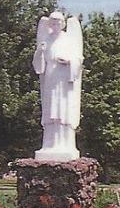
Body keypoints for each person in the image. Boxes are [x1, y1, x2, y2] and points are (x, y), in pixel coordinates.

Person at [32, 12, 83, 161]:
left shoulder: (68, 40)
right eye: (53, 23)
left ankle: (66, 144)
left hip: (64, 79)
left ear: (63, 24)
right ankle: (49, 144)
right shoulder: (46, 40)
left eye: (58, 23)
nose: (56, 25)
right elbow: (38, 67)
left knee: (64, 111)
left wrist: (69, 62)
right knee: (50, 110)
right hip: (50, 79)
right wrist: (40, 52)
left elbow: (78, 59)